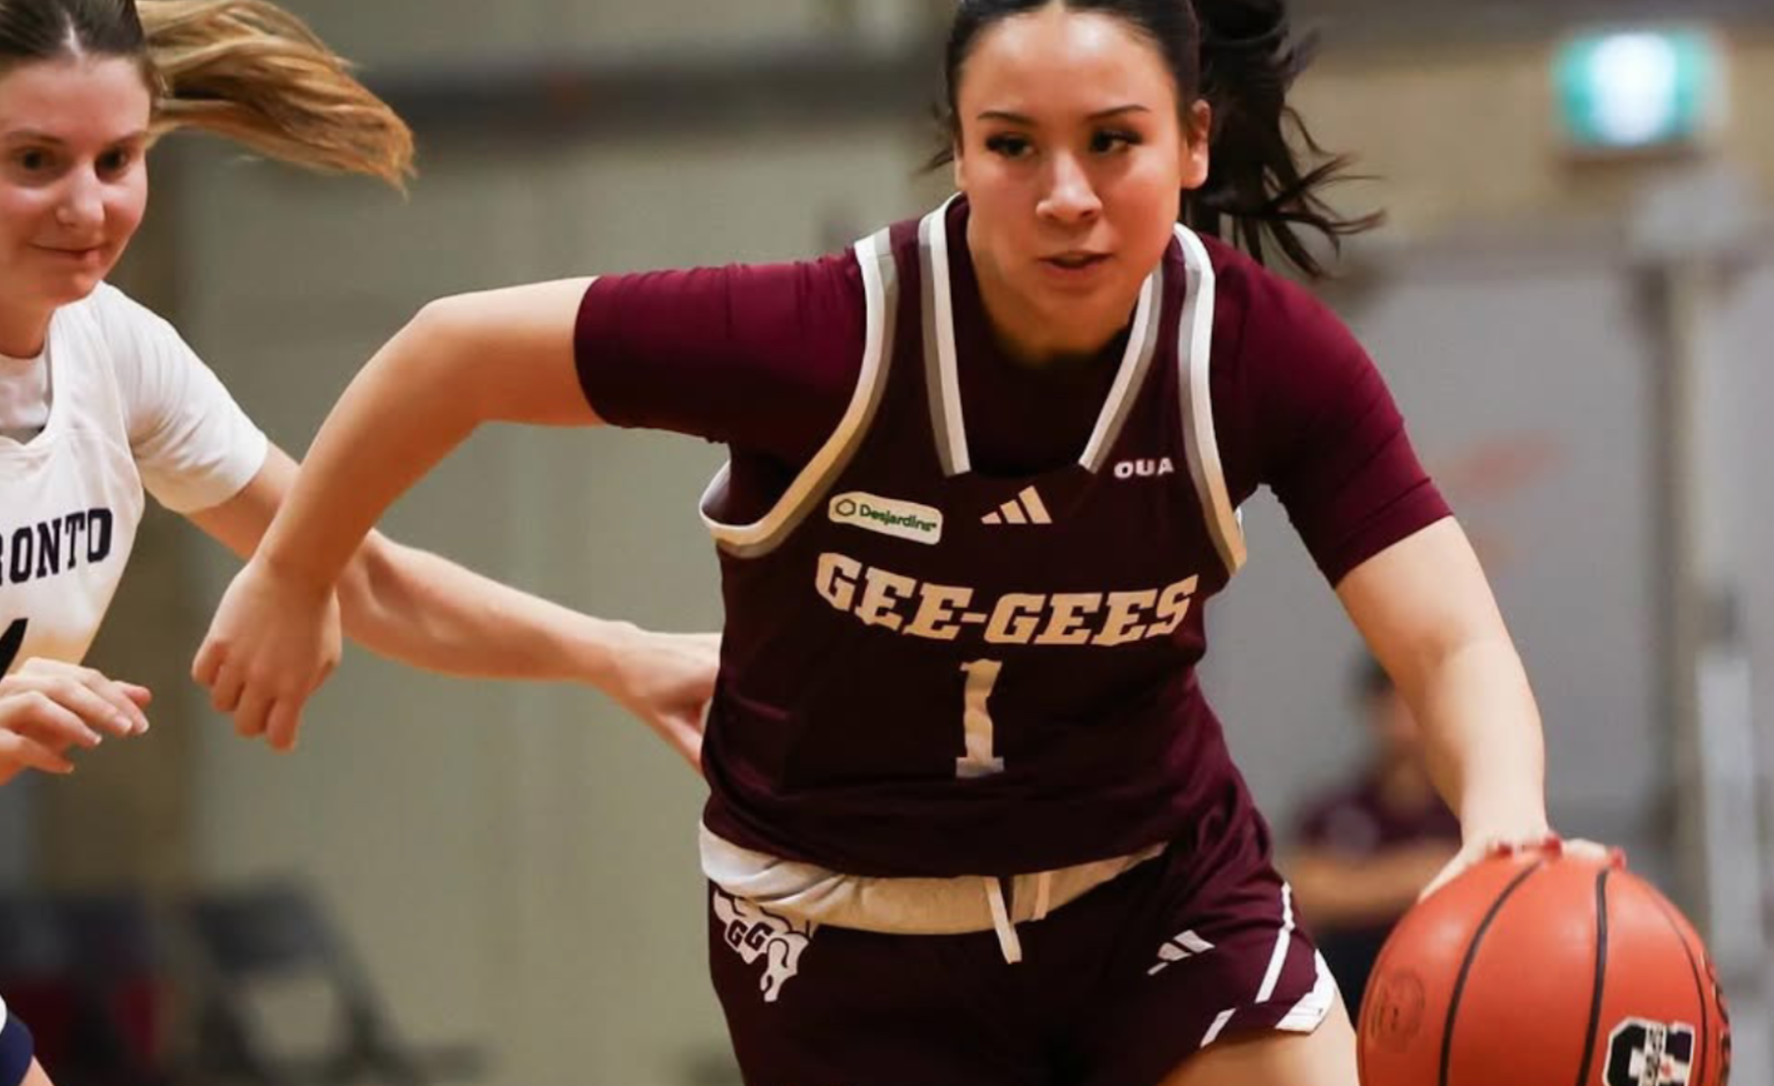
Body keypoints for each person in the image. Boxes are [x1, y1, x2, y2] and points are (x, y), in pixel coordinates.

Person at [195, 1, 1593, 1083]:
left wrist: (1502, 818)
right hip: (843, 929)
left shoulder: (1259, 356)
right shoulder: (826, 338)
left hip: (1153, 891)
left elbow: (1448, 633)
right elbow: (453, 351)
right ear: (956, 143)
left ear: (1196, 141)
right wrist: (294, 567)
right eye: (1013, 145)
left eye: (1114, 140)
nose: (1065, 193)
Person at [0, 3, 717, 1079]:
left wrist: (620, 657)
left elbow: (361, 575)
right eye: (33, 161)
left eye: (119, 158)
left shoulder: (116, 355)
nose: (88, 206)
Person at [1286, 657, 1460, 1023]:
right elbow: (1305, 890)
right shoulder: (1334, 808)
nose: (1404, 713)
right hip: (1350, 993)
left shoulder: (1465, 808)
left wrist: (1358, 884)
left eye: (1415, 696)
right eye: (1392, 697)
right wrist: (1415, 876)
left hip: (1448, 988)